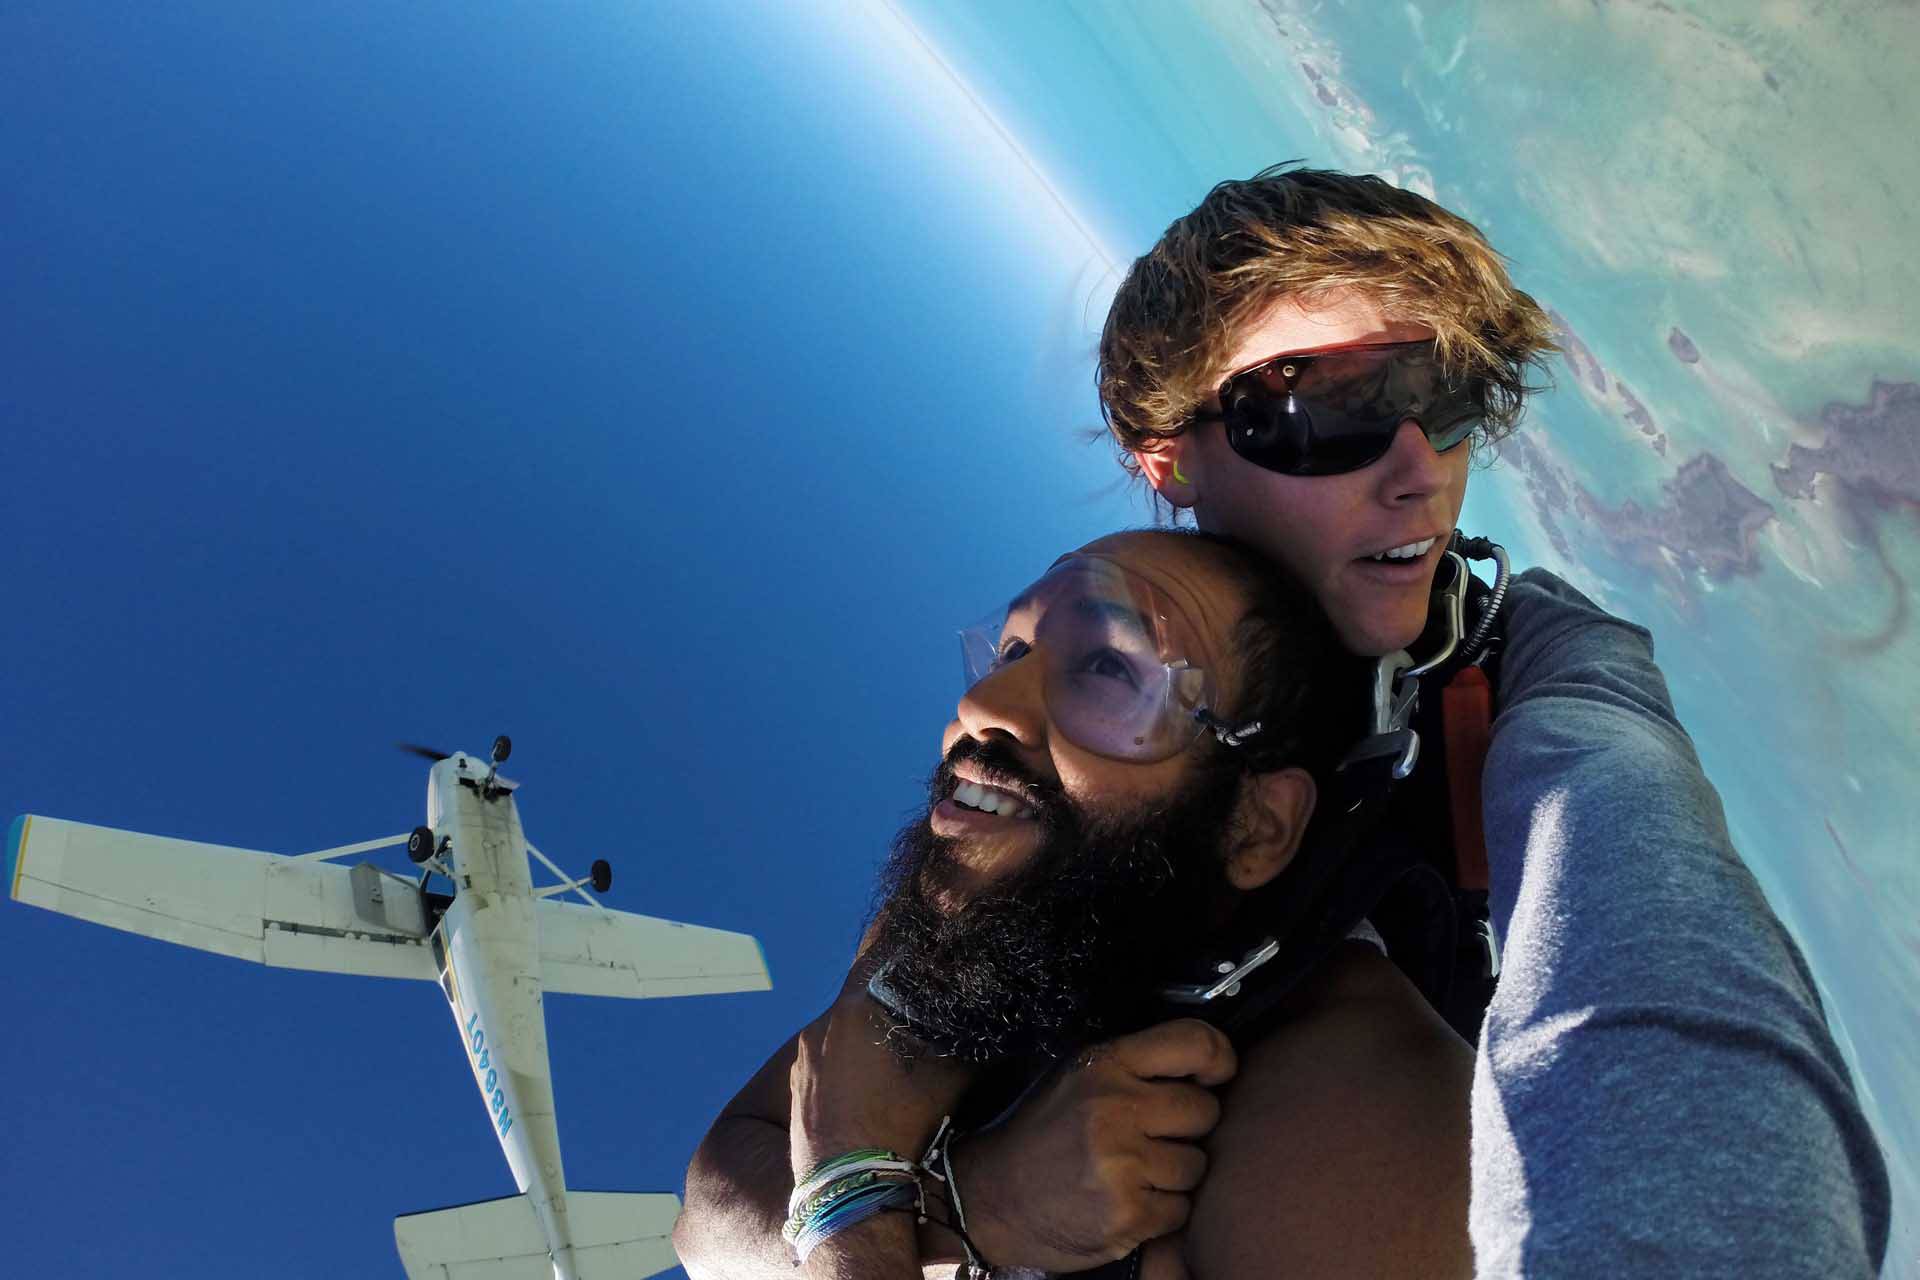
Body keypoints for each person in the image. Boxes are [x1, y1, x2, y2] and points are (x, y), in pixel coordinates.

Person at [1097, 165, 1890, 1275]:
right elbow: (816, 1107)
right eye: (1334, 406)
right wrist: (958, 1192)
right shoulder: (1064, 698)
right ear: (1169, 455)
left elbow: (1632, 862)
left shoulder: (1531, 654)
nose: (1423, 470)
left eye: (1451, 394)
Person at [674, 529, 1478, 1279]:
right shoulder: (984, 915)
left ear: (1253, 826)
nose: (984, 708)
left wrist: (850, 1189)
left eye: (1109, 668)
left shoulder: (1369, 1128)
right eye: (1011, 650)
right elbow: (708, 1208)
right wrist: (975, 1205)